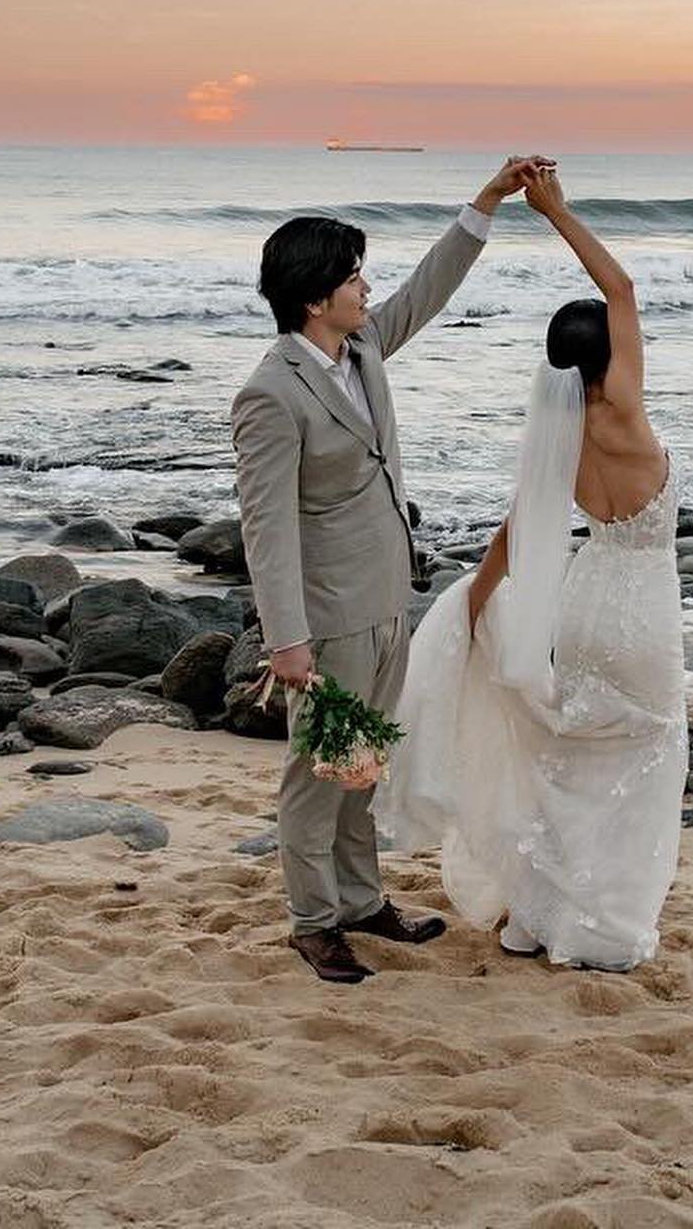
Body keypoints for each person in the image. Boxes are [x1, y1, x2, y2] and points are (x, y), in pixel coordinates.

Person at [232, 156, 546, 985]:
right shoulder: (272, 392)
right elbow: (266, 525)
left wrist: (487, 202)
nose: (367, 286)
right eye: (352, 275)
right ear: (313, 298)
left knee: (363, 760)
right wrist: (286, 639)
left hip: (384, 598)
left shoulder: (361, 347)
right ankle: (313, 920)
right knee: (316, 772)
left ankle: (363, 901)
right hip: (325, 615)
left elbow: (425, 291)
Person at [381, 165, 687, 971]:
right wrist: (559, 210)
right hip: (644, 604)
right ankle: (606, 929)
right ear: (609, 360)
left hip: (583, 606)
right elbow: (620, 284)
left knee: (570, 758)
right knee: (647, 760)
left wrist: (475, 605)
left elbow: (517, 532)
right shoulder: (623, 409)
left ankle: (537, 917)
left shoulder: (560, 435)